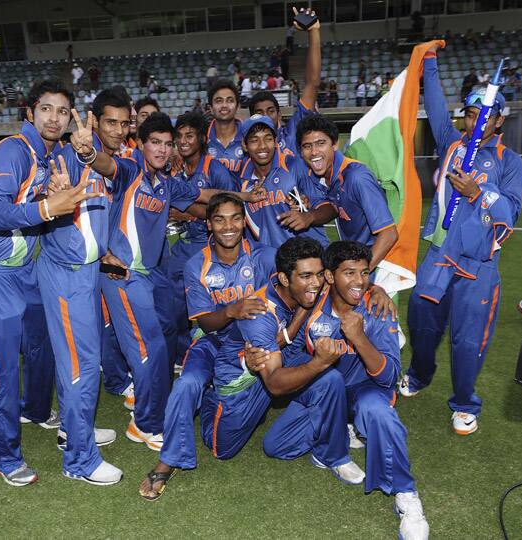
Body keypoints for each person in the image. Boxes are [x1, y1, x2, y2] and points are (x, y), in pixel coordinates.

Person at [69, 112, 265, 453]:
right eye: (155, 143)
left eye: (167, 143)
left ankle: (144, 405)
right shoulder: (130, 170)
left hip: (144, 276)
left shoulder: (166, 183)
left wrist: (240, 200)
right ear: (141, 144)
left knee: (155, 344)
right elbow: (105, 165)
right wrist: (87, 152)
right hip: (121, 275)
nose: (162, 150)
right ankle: (144, 424)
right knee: (149, 349)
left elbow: (203, 193)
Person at [0, 79, 92, 487]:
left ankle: (34, 408)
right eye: (46, 109)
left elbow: (94, 164)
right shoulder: (14, 150)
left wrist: (87, 151)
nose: (55, 117)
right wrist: (48, 206)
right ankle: (5, 456)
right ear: (30, 113)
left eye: (63, 111)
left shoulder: (54, 154)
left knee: (43, 342)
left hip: (24, 271)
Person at [398, 42, 522, 435]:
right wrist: (429, 62)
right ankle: (420, 375)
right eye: (471, 114)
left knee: (468, 342)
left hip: (479, 268)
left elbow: (509, 212)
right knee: (421, 322)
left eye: (485, 116)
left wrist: (476, 193)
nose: (477, 122)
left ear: (499, 122)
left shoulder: (510, 161)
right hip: (438, 254)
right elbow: (433, 102)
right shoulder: (451, 143)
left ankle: (466, 403)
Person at [270, 241, 428, 540]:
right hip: (327, 392)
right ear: (329, 276)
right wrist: (316, 363)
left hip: (366, 391)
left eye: (365, 273)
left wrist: (358, 337)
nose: (359, 281)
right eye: (349, 273)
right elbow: (290, 358)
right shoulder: (311, 304)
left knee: (378, 411)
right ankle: (336, 435)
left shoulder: (377, 308)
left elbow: (389, 377)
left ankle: (407, 497)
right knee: (277, 446)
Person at [139, 193, 276, 500]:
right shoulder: (196, 264)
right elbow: (206, 324)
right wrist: (231, 310)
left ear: (244, 221)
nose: (228, 226)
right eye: (219, 219)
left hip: (250, 345)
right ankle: (169, 460)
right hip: (212, 341)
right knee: (187, 383)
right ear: (208, 224)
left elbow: (298, 287)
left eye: (235, 218)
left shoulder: (265, 256)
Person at [199, 237, 364, 483]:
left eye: (319, 275)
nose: (316, 283)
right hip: (242, 384)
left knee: (330, 380)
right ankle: (208, 398)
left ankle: (335, 453)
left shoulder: (303, 289)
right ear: (285, 279)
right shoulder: (259, 314)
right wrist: (318, 362)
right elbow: (275, 384)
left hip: (277, 361)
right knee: (223, 450)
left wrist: (378, 291)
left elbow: (351, 281)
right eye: (306, 276)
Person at [38, 89, 134, 486]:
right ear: (92, 120)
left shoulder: (114, 161)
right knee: (80, 364)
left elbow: (112, 181)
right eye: (109, 122)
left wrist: (105, 252)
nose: (118, 129)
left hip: (88, 271)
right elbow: (49, 197)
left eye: (124, 123)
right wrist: (58, 183)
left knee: (77, 361)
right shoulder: (65, 156)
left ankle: (71, 432)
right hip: (65, 272)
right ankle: (79, 460)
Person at [166, 112, 237, 363]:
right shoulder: (178, 169)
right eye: (180, 137)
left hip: (207, 245)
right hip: (183, 243)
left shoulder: (214, 169)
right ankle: (181, 354)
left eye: (190, 136)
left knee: (204, 304)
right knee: (172, 301)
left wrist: (188, 213)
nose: (183, 141)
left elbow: (228, 207)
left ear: (201, 139)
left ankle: (210, 354)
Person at [297, 114, 398, 275]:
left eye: (321, 143)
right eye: (307, 146)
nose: (314, 151)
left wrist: (361, 274)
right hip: (356, 260)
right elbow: (333, 206)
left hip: (377, 265)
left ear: (335, 144)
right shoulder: (325, 176)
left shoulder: (357, 177)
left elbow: (389, 234)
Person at [237, 115, 335, 249]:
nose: (263, 146)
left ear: (276, 140)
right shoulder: (241, 179)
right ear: (244, 145)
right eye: (254, 140)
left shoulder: (294, 166)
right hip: (270, 263)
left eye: (268, 139)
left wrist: (308, 216)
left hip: (309, 259)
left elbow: (330, 207)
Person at [248, 8, 321, 155]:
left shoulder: (292, 134)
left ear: (279, 115)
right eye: (260, 112)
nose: (266, 116)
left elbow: (312, 83)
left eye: (270, 111)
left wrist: (313, 32)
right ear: (252, 118)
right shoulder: (246, 148)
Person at [206, 80, 245, 173]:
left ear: (237, 107)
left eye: (230, 100)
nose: (224, 105)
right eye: (219, 101)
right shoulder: (201, 139)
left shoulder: (249, 135)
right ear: (211, 108)